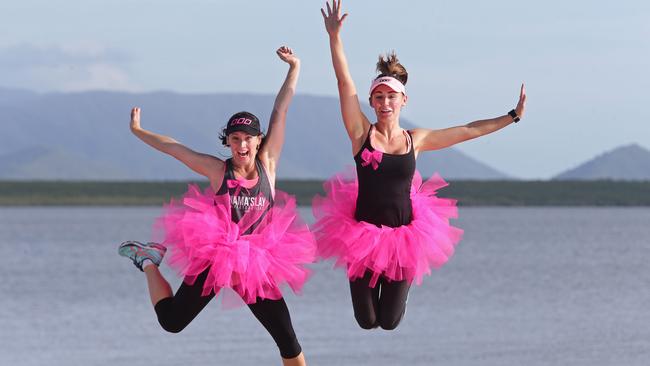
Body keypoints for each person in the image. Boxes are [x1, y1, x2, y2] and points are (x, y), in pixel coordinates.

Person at [314, 0, 527, 330]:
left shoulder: (417, 140)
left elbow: (467, 130)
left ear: (403, 100)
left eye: (391, 97)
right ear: (371, 101)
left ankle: (404, 288)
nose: (385, 103)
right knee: (366, 320)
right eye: (379, 97)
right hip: (362, 236)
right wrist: (334, 37)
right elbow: (345, 84)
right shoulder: (361, 134)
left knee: (388, 321)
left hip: (404, 237)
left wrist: (511, 117)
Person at [118, 46, 314, 366]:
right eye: (235, 139)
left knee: (287, 337)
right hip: (217, 255)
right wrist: (138, 131)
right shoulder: (217, 170)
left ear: (259, 140)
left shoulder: (269, 163)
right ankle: (148, 260)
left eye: (248, 138)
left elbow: (281, 109)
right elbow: (174, 149)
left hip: (254, 264)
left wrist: (294, 67)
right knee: (172, 322)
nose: (242, 145)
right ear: (228, 143)